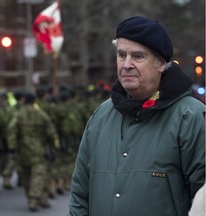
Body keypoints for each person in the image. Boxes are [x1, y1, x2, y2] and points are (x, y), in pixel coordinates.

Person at [68, 16, 205, 216]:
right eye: (121, 55)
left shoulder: (190, 117)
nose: (127, 64)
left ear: (160, 64)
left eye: (138, 56)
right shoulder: (101, 116)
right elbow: (80, 194)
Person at [7, 92, 59, 212]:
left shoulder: (18, 114)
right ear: (35, 100)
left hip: (23, 151)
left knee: (26, 176)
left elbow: (11, 130)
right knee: (38, 176)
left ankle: (30, 197)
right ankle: (34, 198)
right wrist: (55, 146)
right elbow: (51, 131)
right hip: (38, 151)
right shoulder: (40, 114)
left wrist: (12, 146)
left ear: (24, 100)